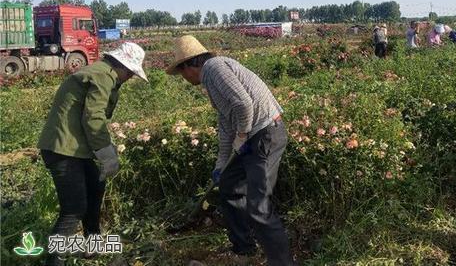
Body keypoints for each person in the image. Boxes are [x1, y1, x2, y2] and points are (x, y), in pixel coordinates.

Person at [167, 35, 294, 266]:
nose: (183, 78)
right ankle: (244, 249)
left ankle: (282, 262)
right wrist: (220, 165)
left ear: (189, 65)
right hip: (251, 137)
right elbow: (226, 125)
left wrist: (243, 134)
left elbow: (243, 103)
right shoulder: (210, 79)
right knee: (228, 185)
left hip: (265, 135)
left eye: (181, 73)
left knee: (259, 206)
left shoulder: (214, 67)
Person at [38, 43, 148, 266]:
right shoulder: (103, 75)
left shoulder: (101, 71)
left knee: (96, 187)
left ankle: (93, 244)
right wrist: (106, 153)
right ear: (123, 66)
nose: (129, 78)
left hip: (74, 147)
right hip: (63, 150)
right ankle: (54, 261)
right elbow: (93, 117)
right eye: (131, 73)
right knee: (73, 208)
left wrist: (102, 148)